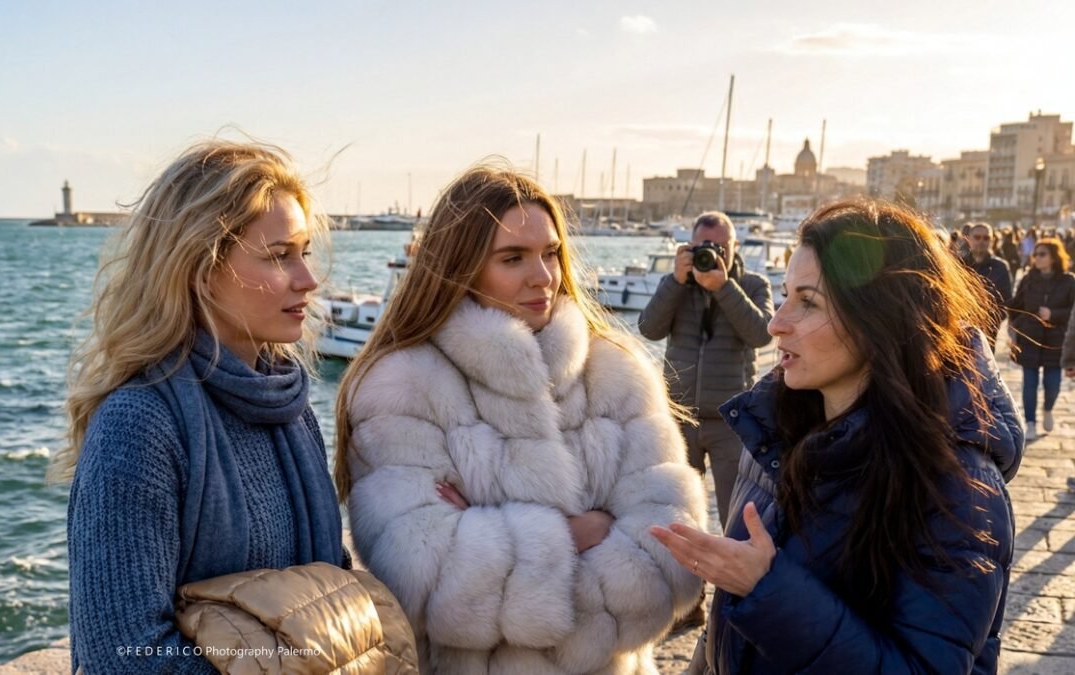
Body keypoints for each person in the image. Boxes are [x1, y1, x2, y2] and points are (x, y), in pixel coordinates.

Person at [335, 166, 707, 674]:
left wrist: (493, 539)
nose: (544, 276)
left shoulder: (616, 371)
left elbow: (674, 551)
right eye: (513, 258)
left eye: (551, 252)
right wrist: (577, 534)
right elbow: (416, 574)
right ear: (461, 267)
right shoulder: (402, 385)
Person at [651, 199, 1022, 674]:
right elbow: (729, 623)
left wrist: (767, 589)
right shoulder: (773, 432)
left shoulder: (959, 487)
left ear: (882, 318)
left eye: (807, 302)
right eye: (785, 295)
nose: (776, 322)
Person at [53, 141, 349, 672]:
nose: (308, 278)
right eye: (279, 255)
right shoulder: (138, 427)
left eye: (304, 251)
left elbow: (327, 589)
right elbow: (121, 658)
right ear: (200, 267)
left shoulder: (288, 403)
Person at [637, 212, 774, 530]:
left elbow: (761, 333)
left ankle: (730, 581)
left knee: (737, 517)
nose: (711, 254)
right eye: (703, 246)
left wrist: (724, 287)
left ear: (735, 247)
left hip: (731, 420)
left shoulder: (752, 285)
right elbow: (648, 328)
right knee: (679, 516)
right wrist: (674, 281)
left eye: (720, 247)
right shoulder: (676, 285)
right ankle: (686, 580)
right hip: (680, 417)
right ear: (688, 246)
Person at [1009, 237, 1075, 440]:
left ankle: (1048, 409)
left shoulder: (1068, 281)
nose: (1036, 257)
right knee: (1029, 382)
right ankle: (1030, 422)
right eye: (1035, 254)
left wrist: (1053, 314)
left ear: (1054, 257)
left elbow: (1073, 311)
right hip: (1030, 338)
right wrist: (1015, 329)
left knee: (1052, 383)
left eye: (1042, 254)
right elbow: (1015, 306)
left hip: (1057, 340)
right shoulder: (1028, 278)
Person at [962, 222, 1012, 350]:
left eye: (986, 238)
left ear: (992, 240)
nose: (981, 241)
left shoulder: (1000, 267)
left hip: (987, 332)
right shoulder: (958, 264)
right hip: (960, 331)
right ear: (969, 239)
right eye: (977, 237)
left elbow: (1006, 301)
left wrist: (991, 320)